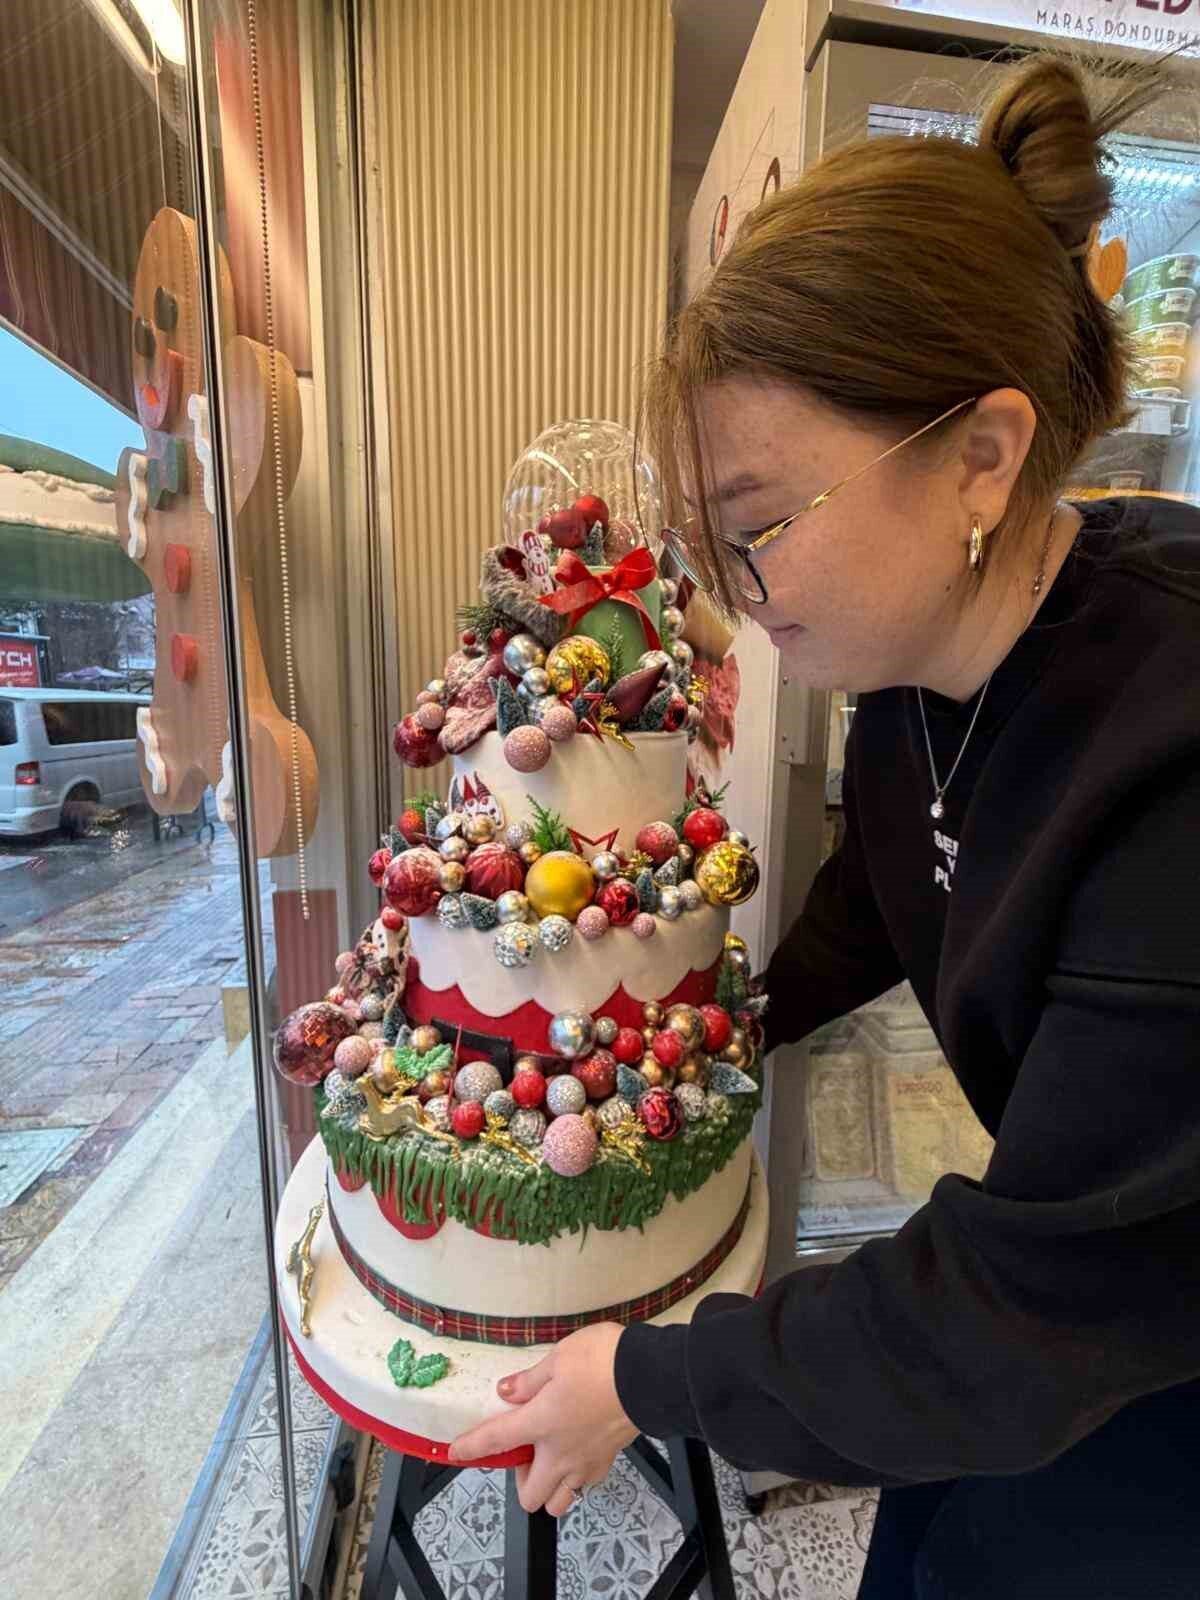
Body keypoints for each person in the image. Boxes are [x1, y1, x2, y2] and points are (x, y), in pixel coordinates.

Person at [450, 54, 1200, 1597]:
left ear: (981, 459)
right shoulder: (922, 672)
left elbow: (1020, 1309)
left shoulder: (1171, 752)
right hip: (1072, 1301)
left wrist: (646, 1380)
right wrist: (717, 1033)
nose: (737, 600)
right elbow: (888, 882)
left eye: (761, 532)